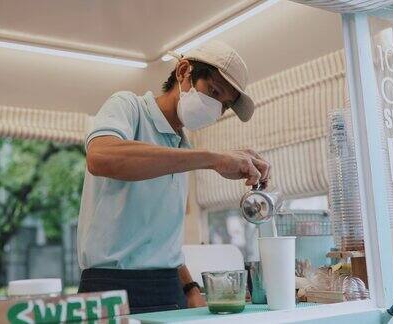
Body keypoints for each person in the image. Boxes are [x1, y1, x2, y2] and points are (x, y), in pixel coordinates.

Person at [77, 41, 270, 314]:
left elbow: (161, 237)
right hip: (110, 284)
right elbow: (100, 157)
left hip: (168, 286)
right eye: (213, 92)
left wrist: (190, 287)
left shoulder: (184, 147)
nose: (215, 109)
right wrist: (213, 159)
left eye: (223, 106)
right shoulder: (128, 107)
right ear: (183, 72)